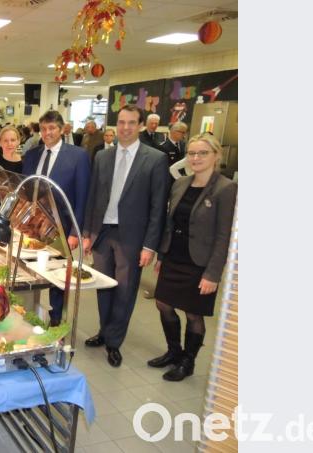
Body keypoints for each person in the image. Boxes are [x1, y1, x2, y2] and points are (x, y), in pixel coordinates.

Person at [81, 105, 169, 367]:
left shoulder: (154, 159)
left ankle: (114, 341)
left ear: (141, 125)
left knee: (125, 290)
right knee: (103, 286)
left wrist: (150, 246)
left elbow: (158, 206)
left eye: (131, 123)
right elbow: (93, 197)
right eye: (121, 122)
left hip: (132, 237)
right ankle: (104, 330)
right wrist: (87, 232)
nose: (125, 128)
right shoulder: (102, 157)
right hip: (102, 232)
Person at [147, 134, 237, 381]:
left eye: (202, 153)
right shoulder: (180, 183)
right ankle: (174, 352)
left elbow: (223, 235)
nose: (196, 158)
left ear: (216, 156)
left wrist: (213, 274)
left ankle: (188, 361)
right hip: (174, 255)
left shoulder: (226, 188)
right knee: (163, 303)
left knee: (193, 313)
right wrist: (162, 255)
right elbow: (170, 223)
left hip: (200, 262)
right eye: (192, 153)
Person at [23, 110, 91, 326]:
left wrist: (75, 232)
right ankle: (26, 308)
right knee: (30, 267)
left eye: (52, 128)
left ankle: (56, 315)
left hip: (62, 226)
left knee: (58, 272)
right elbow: (26, 190)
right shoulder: (32, 155)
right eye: (43, 129)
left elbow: (82, 197)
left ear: (62, 129)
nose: (47, 133)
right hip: (33, 225)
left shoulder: (78, 156)